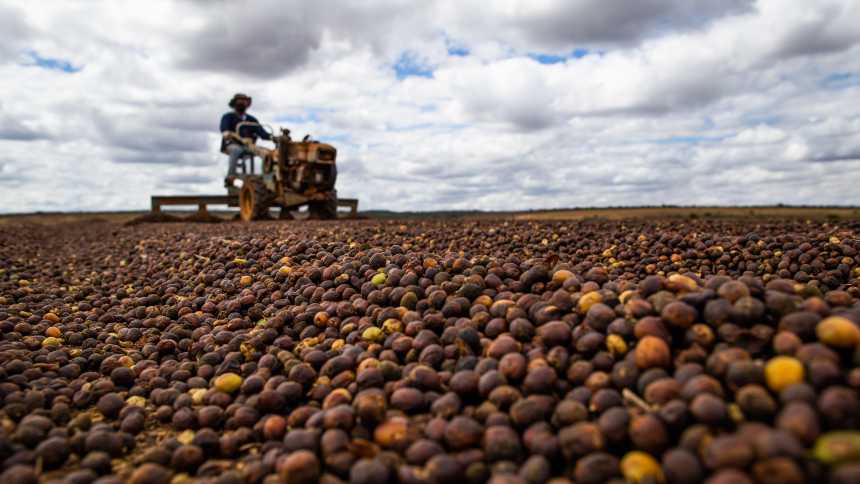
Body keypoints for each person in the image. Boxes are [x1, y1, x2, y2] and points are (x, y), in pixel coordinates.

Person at [220, 93, 271, 184]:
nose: (242, 103)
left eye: (244, 101)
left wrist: (272, 137)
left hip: (249, 146)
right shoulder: (228, 117)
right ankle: (231, 176)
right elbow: (225, 131)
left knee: (267, 153)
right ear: (234, 103)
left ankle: (268, 178)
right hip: (232, 144)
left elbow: (262, 133)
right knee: (236, 150)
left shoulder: (251, 119)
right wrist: (232, 135)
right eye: (240, 101)